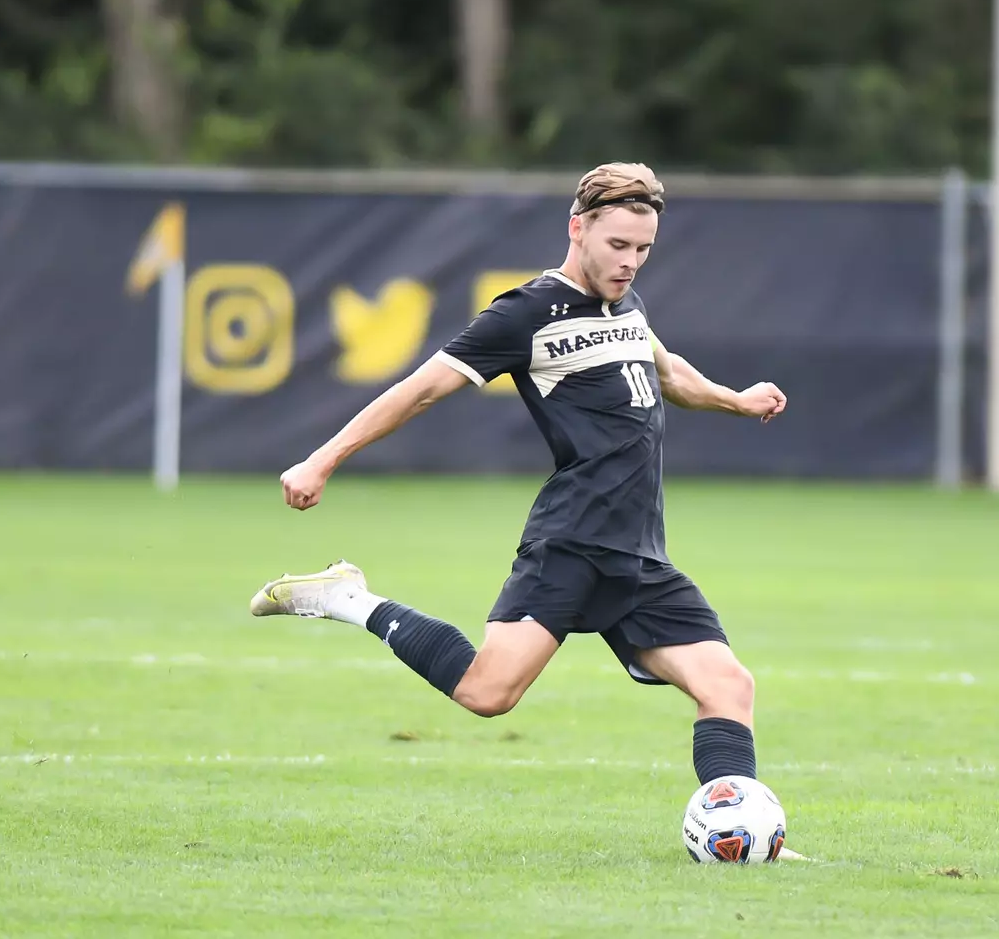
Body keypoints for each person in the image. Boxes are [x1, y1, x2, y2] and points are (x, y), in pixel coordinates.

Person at [249, 161, 787, 798]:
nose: (630, 262)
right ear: (577, 228)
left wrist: (735, 399)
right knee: (487, 693)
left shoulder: (626, 303)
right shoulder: (526, 312)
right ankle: (347, 597)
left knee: (729, 686)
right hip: (573, 540)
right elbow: (421, 390)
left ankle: (738, 828)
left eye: (643, 249)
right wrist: (322, 459)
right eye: (618, 244)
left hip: (639, 553)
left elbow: (668, 373)